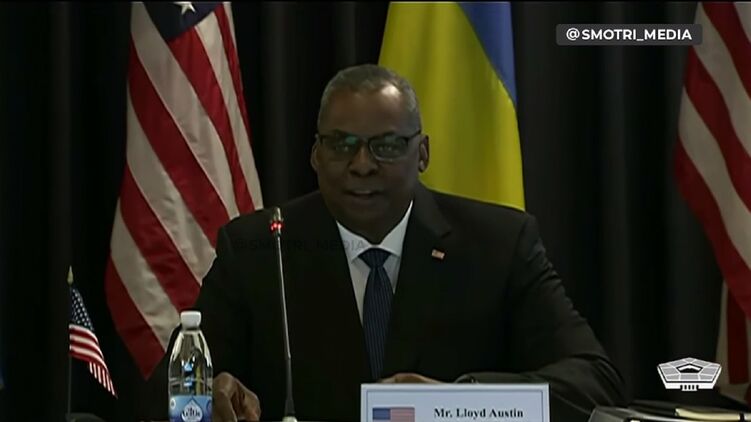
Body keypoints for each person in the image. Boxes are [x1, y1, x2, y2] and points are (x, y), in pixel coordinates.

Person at [175, 64, 626, 422]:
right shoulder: (257, 248)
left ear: (423, 153)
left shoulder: (498, 244)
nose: (362, 164)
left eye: (387, 146)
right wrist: (205, 394)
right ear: (315, 155)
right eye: (342, 145)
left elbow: (593, 382)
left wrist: (459, 401)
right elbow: (168, 386)